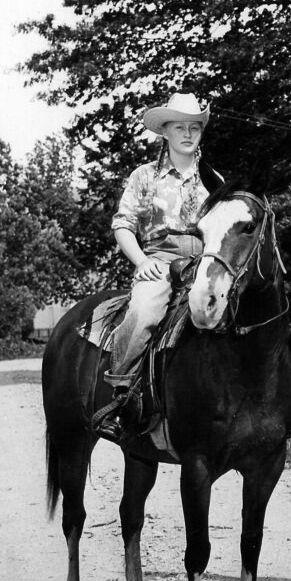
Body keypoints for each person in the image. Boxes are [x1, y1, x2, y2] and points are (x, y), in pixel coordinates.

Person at [93, 92, 222, 442]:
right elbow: (123, 224)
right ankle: (122, 396)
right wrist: (142, 261)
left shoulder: (214, 180)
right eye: (179, 127)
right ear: (164, 132)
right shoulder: (145, 176)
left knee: (243, 308)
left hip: (206, 263)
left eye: (194, 127)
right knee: (144, 311)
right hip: (161, 262)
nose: (188, 133)